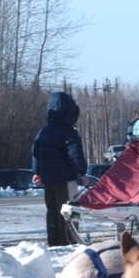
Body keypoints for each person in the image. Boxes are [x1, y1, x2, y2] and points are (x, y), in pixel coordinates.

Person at [31, 92, 88, 247]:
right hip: (66, 181)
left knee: (52, 211)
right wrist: (82, 172)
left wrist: (36, 172)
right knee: (68, 211)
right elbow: (75, 155)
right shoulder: (69, 133)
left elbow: (35, 152)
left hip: (48, 181)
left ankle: (53, 242)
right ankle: (67, 242)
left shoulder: (43, 131)